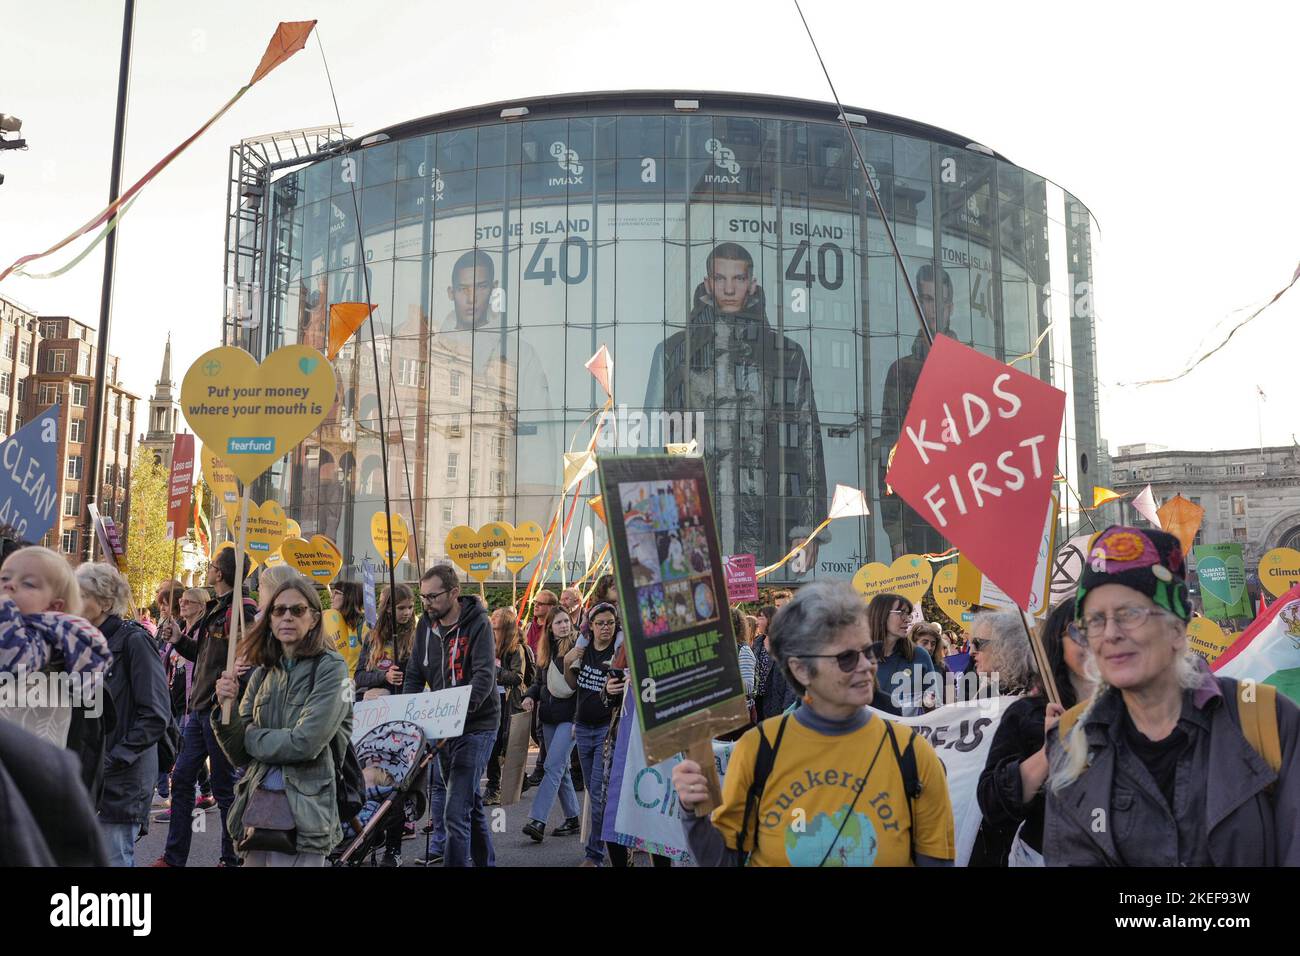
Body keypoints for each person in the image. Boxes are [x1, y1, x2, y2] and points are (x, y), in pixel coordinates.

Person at [1045, 525, 1300, 866]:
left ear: (1177, 627)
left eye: (1129, 614)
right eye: (1093, 620)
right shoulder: (1069, 739)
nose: (1110, 634)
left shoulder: (1267, 719)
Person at [671, 581, 956, 866]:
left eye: (869, 651)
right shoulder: (759, 749)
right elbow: (724, 860)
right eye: (846, 657)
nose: (867, 666)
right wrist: (692, 812)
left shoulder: (913, 755)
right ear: (801, 669)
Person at [645, 242, 827, 574]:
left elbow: (807, 443)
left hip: (768, 517)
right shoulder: (672, 353)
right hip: (691, 518)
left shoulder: (786, 355)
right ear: (708, 282)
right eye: (721, 278)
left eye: (739, 279)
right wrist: (653, 527)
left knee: (765, 613)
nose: (729, 289)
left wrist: (807, 528)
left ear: (752, 283)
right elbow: (652, 447)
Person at [212, 576, 352, 867]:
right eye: (279, 610)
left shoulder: (332, 668)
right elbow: (239, 754)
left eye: (297, 610)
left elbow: (306, 743)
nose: (287, 616)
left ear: (314, 618)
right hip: (258, 808)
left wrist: (253, 736)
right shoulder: (264, 672)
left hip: (306, 811)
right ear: (271, 619)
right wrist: (227, 706)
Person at [154, 546, 257, 868]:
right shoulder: (218, 608)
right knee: (183, 780)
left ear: (221, 574)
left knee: (225, 789)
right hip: (199, 710)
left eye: (212, 566)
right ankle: (174, 857)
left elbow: (247, 654)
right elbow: (204, 654)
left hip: (219, 711)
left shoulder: (240, 609)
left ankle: (230, 858)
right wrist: (178, 640)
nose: (208, 570)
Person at [974, 601, 1094, 866]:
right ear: (1056, 642)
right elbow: (992, 804)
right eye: (1078, 630)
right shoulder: (1028, 714)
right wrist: (1048, 753)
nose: (1093, 640)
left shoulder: (1137, 709)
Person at [404, 565, 499, 867]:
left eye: (432, 596)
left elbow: (485, 676)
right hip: (442, 726)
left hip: (477, 725)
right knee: (470, 804)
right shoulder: (425, 626)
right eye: (423, 597)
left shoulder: (479, 624)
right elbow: (415, 673)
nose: (427, 603)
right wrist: (410, 714)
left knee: (455, 811)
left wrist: (458, 714)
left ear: (454, 593)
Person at [76, 563, 170, 866]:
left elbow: (156, 714)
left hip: (121, 781)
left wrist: (112, 758)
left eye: (80, 594)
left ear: (105, 602)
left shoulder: (134, 641)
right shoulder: (81, 643)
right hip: (88, 778)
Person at [0, 546, 112, 801]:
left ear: (54, 606)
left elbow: (14, 660)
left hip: (27, 794)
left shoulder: (49, 642)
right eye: (4, 578)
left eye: (28, 583)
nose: (10, 586)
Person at [519, 603, 583, 843]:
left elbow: (583, 689)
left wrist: (579, 720)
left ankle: (538, 819)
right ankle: (573, 818)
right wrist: (529, 696)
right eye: (559, 622)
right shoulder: (545, 650)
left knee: (552, 766)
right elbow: (538, 683)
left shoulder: (579, 648)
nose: (564, 625)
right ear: (550, 628)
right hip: (548, 717)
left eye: (566, 621)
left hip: (571, 718)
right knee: (561, 768)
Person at [155, 587, 215, 817]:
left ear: (201, 606)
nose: (183, 604)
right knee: (188, 750)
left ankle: (180, 802)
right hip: (176, 698)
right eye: (182, 601)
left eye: (189, 601)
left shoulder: (203, 631)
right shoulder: (181, 628)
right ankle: (206, 791)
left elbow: (199, 658)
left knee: (183, 751)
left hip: (193, 698)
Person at [571, 602, 621, 866]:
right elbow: (571, 686)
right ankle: (617, 843)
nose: (605, 628)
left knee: (600, 798)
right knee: (594, 792)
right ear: (591, 625)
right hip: (582, 729)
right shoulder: (583, 650)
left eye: (610, 623)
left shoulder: (619, 653)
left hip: (606, 730)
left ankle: (595, 855)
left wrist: (616, 689)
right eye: (600, 623)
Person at [485, 606, 527, 806]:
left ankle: (500, 786)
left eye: (497, 628)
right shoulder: (487, 644)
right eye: (492, 626)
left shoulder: (515, 648)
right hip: (489, 699)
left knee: (503, 744)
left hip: (507, 701)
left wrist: (495, 670)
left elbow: (518, 677)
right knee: (493, 745)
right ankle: (495, 786)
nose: (494, 631)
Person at [868, 593, 935, 715]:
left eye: (908, 614)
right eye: (901, 613)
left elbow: (932, 706)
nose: (908, 619)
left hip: (907, 733)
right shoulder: (859, 657)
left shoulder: (920, 656)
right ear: (881, 615)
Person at [354, 584, 414, 702]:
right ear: (388, 608)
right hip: (372, 702)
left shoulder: (415, 637)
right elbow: (359, 676)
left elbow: (414, 679)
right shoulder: (372, 637)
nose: (407, 612)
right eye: (401, 608)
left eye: (410, 607)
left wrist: (389, 690)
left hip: (402, 701)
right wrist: (384, 676)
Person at [753, 604, 796, 720]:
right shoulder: (757, 642)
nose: (757, 621)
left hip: (778, 703)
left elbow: (792, 681)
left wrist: (787, 707)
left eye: (761, 617)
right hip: (758, 702)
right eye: (757, 617)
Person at [328, 581, 368, 676]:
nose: (332, 596)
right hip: (332, 681)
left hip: (355, 684)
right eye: (333, 592)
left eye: (337, 593)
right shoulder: (330, 621)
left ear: (349, 597)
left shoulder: (364, 624)